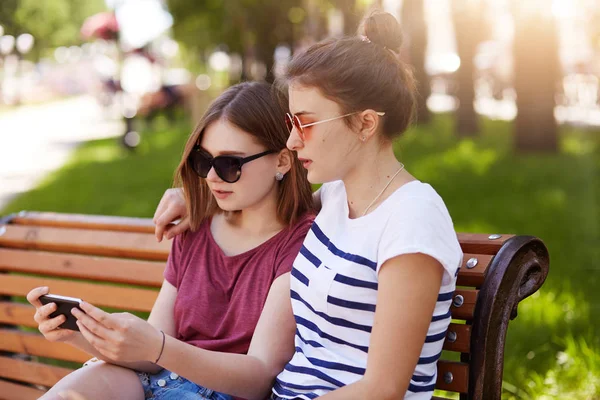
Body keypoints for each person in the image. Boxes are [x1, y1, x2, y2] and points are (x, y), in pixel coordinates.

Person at [49, 10, 463, 400]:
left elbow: (384, 389)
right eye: (290, 125)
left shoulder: (413, 218)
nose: (293, 140)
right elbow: (271, 210)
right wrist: (198, 201)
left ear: (366, 123)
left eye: (305, 123)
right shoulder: (337, 199)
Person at [26, 81, 314, 400]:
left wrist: (158, 347)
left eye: (230, 164)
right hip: (160, 380)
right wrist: (81, 335)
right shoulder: (193, 227)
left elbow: (258, 376)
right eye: (204, 161)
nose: (212, 178)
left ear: (282, 161)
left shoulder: (297, 242)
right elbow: (150, 356)